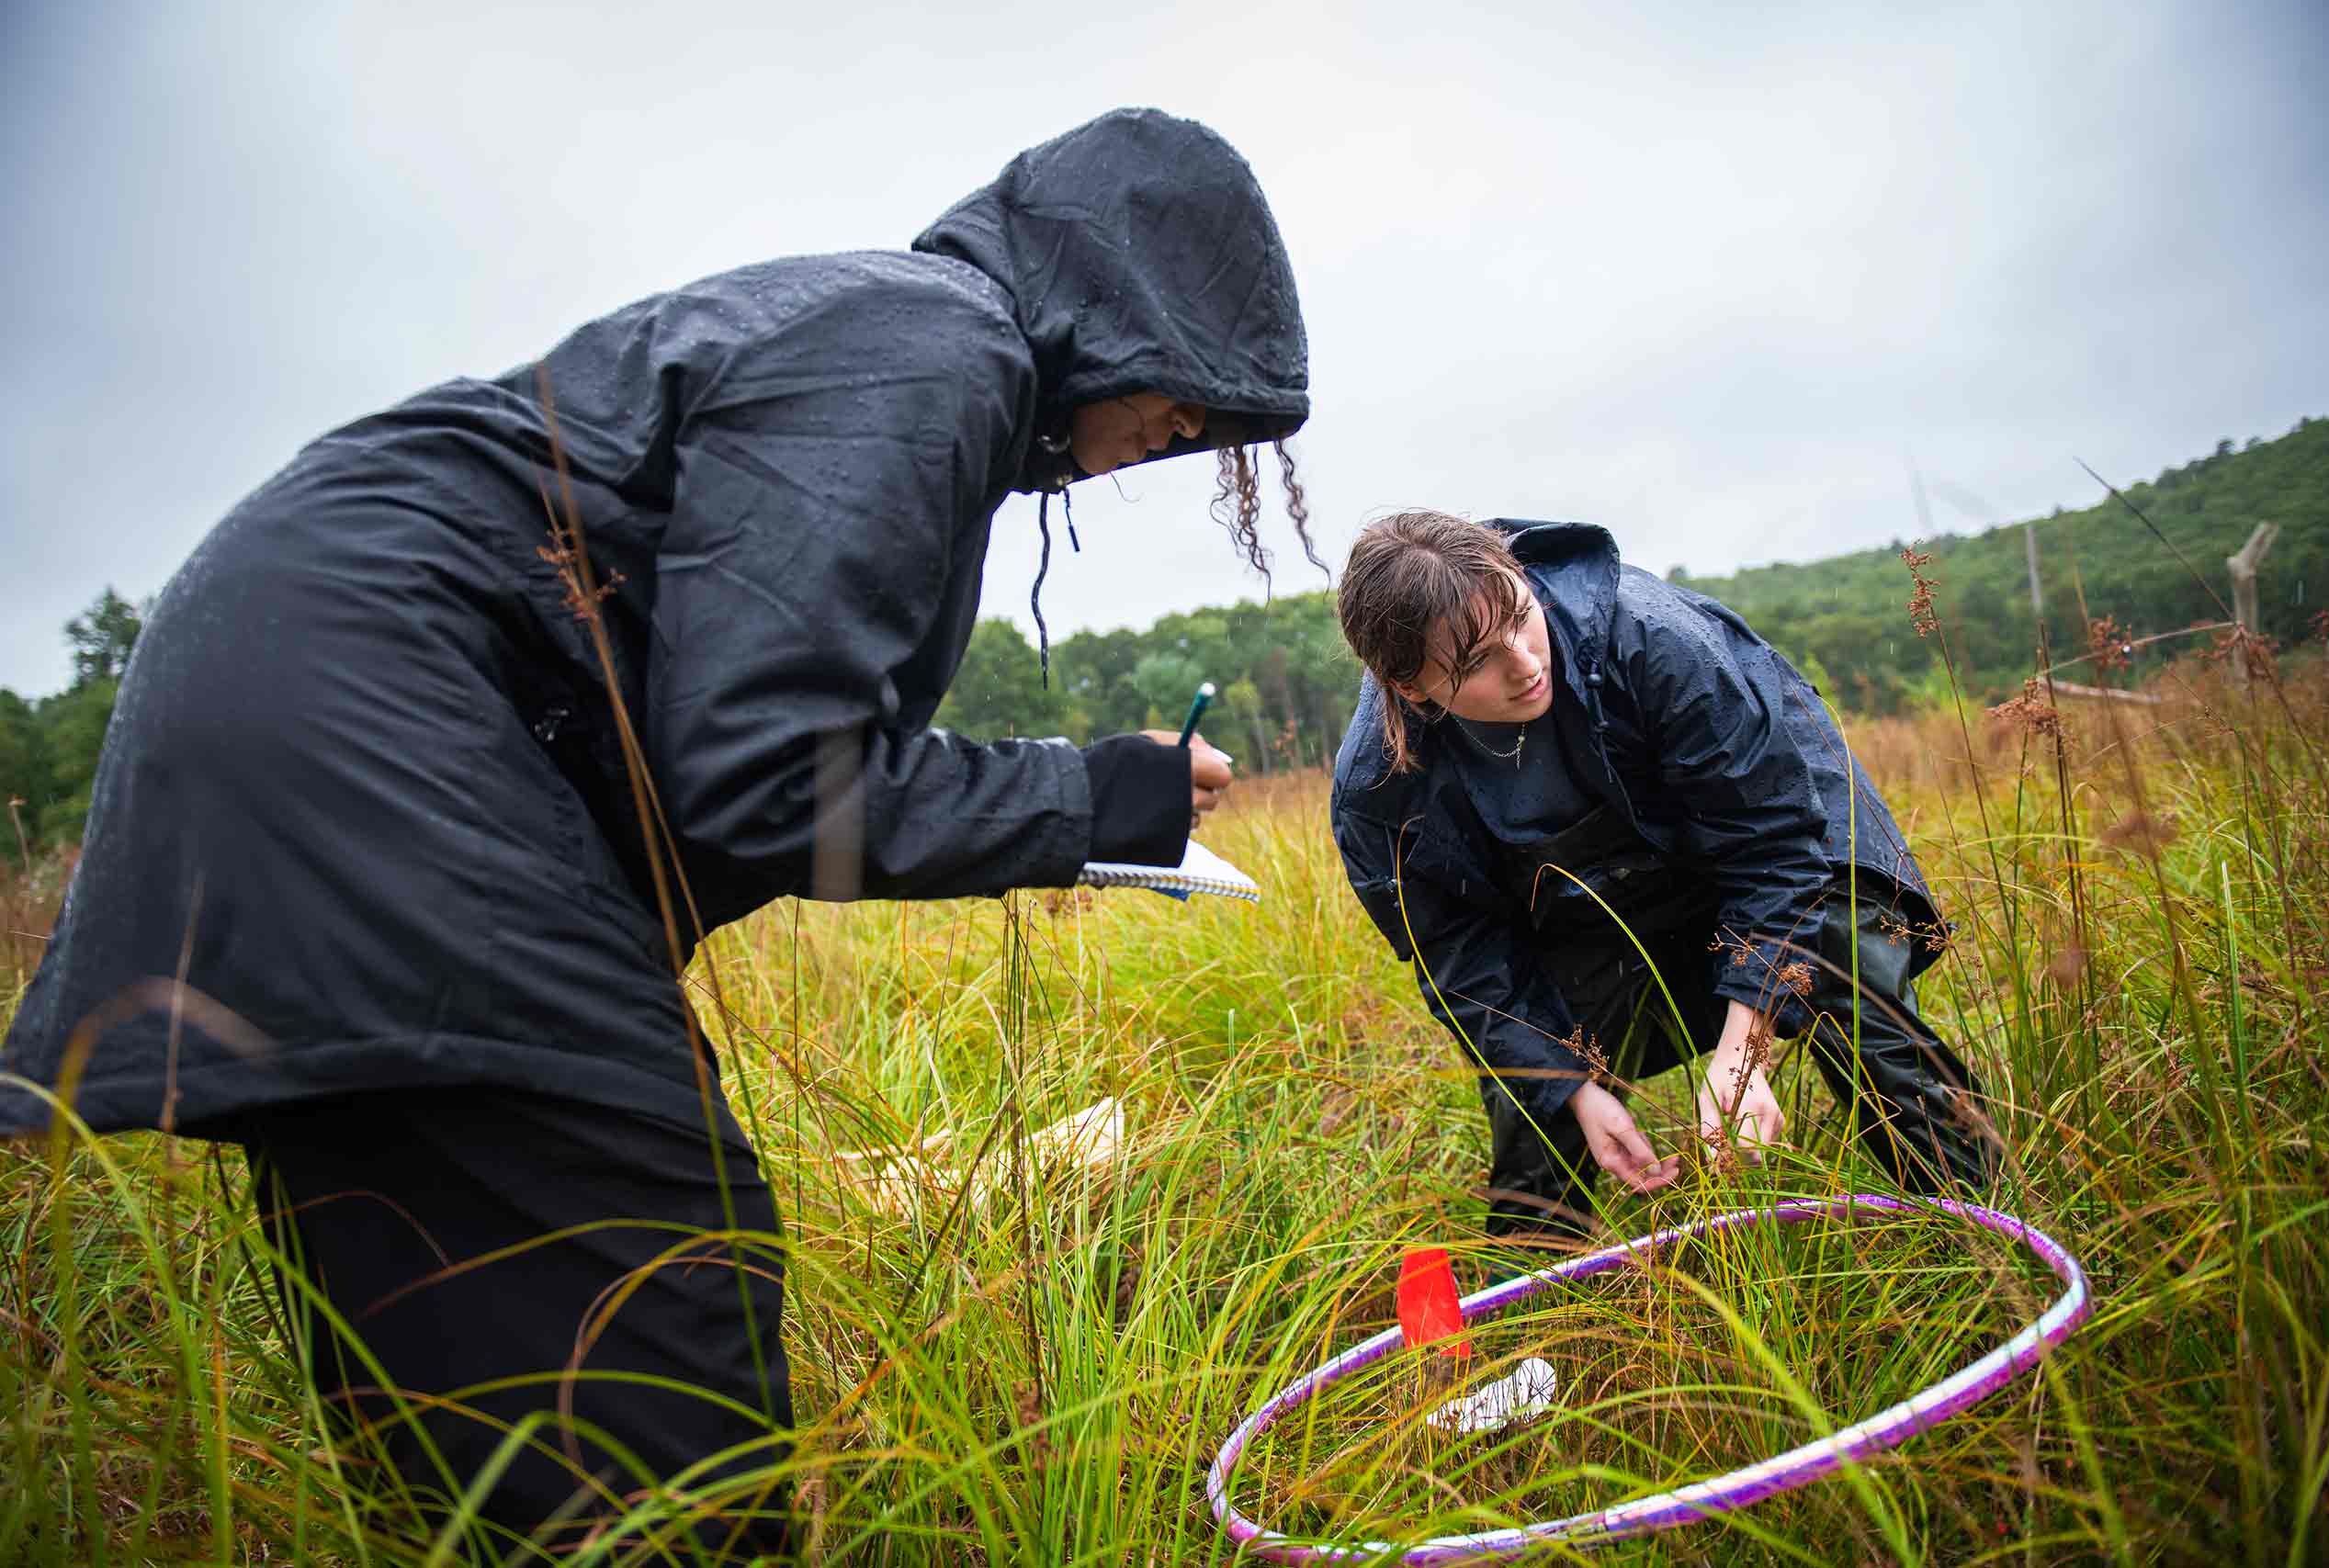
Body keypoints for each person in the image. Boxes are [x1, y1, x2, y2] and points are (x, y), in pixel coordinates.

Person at [0, 108, 1310, 1555]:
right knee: (655, 1277)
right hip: (378, 700)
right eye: (1179, 412)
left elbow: (712, 737)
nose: (1161, 448)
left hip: (285, 689)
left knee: (466, 1336)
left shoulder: (876, 329)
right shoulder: (939, 343)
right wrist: (1097, 796)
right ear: (1111, 301)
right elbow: (769, 770)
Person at [1328, 511, 1995, 1245]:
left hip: (1792, 849)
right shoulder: (1377, 793)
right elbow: (1465, 965)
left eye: (1523, 616)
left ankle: (1985, 1230)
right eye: (1478, 662)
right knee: (1534, 1076)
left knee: (1844, 971)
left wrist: (1743, 1051)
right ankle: (1532, 1316)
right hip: (1611, 908)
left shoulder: (1652, 640)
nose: (1524, 662)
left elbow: (1774, 848)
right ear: (1410, 686)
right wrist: (1573, 1089)